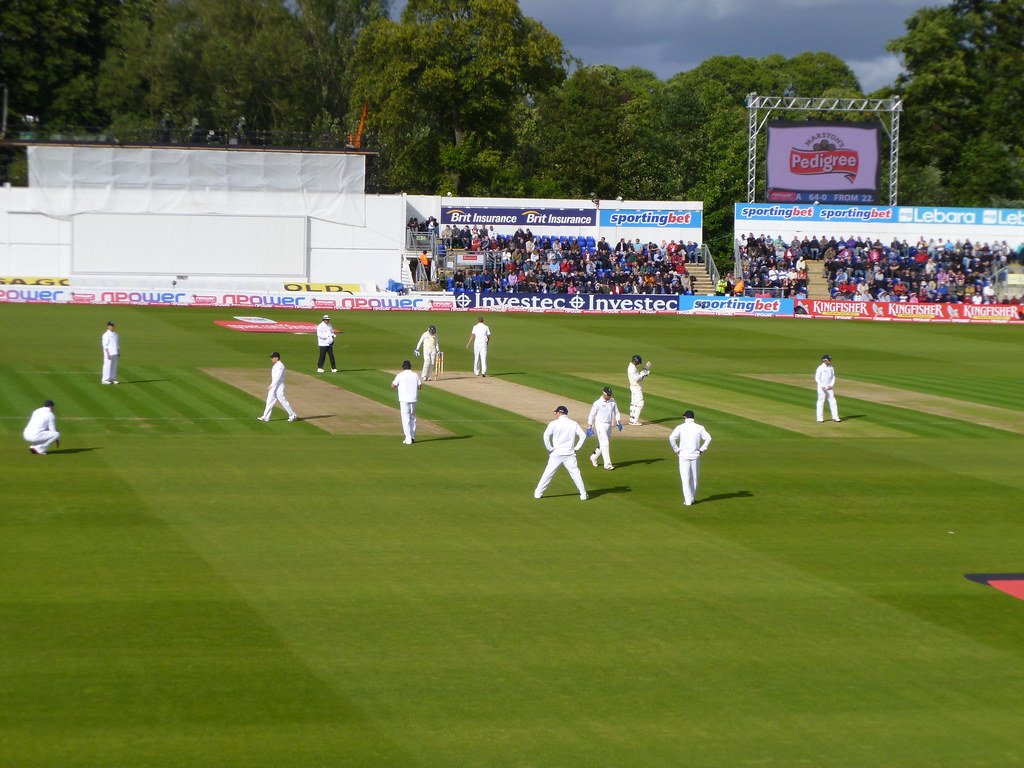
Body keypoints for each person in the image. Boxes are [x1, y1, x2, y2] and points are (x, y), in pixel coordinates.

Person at [534, 405, 588, 501]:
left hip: (557, 452)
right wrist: (576, 448)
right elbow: (583, 436)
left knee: (548, 473)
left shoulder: (554, 423)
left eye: (556, 412)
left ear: (559, 412)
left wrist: (550, 448)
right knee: (576, 474)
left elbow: (546, 436)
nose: (555, 414)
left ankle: (538, 493)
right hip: (570, 453)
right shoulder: (573, 423)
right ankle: (583, 494)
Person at [668, 409, 712, 506]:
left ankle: (688, 500)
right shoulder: (699, 427)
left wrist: (676, 449)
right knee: (694, 478)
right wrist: (702, 449)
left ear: (685, 417)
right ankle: (692, 498)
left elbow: (671, 438)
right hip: (695, 454)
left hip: (683, 455)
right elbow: (708, 438)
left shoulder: (680, 427)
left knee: (685, 478)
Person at [587, 386, 623, 470]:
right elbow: (592, 414)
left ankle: (593, 457)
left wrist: (618, 421)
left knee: (603, 444)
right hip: (600, 424)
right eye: (608, 394)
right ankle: (607, 465)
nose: (609, 396)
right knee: (605, 443)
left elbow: (617, 412)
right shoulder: (597, 403)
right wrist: (590, 426)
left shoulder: (613, 402)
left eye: (610, 394)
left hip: (609, 425)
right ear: (603, 393)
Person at [258, 352, 298, 422]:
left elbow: (278, 377)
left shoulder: (280, 366)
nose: (271, 359)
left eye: (272, 357)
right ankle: (265, 417)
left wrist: (271, 385)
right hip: (274, 386)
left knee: (283, 401)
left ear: (277, 358)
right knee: (269, 401)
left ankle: (292, 415)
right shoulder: (276, 365)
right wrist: (272, 386)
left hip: (279, 387)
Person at [391, 359, 422, 444]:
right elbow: (420, 386)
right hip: (413, 399)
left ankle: (408, 438)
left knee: (406, 419)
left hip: (404, 399)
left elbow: (392, 385)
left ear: (403, 367)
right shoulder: (415, 375)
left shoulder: (400, 375)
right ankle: (412, 437)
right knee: (412, 418)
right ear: (410, 367)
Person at [815, 354, 841, 423]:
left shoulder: (831, 367)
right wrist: (821, 386)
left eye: (830, 360)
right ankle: (820, 418)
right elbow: (817, 378)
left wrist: (831, 385)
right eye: (829, 360)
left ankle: (835, 417)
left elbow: (833, 377)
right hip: (822, 387)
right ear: (825, 360)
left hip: (829, 387)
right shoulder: (820, 368)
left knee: (833, 401)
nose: (830, 361)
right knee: (821, 401)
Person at [626, 354, 651, 425]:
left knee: (634, 403)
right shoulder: (631, 368)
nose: (638, 364)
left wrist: (644, 374)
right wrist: (643, 373)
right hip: (636, 387)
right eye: (638, 362)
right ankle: (634, 421)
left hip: (634, 386)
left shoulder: (633, 367)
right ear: (635, 361)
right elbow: (636, 378)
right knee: (640, 403)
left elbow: (638, 378)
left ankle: (632, 420)